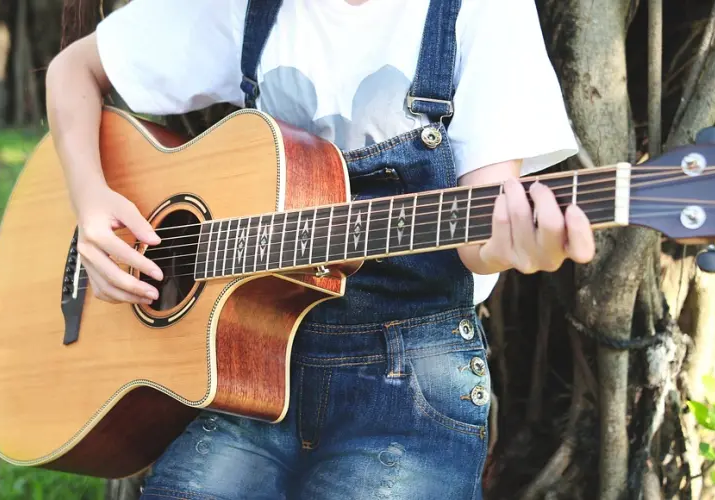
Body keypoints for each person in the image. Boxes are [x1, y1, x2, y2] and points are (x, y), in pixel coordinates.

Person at [45, 0, 595, 498]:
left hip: (410, 378)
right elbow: (73, 69)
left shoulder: (478, 10)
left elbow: (479, 238)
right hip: (249, 370)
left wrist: (518, 245)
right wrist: (91, 200)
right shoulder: (243, 9)